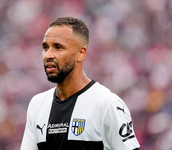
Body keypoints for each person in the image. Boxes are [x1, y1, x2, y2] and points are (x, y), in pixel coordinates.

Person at [20, 16, 140, 150]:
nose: (48, 55)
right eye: (45, 47)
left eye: (58, 47)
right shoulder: (37, 105)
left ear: (81, 53)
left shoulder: (107, 105)